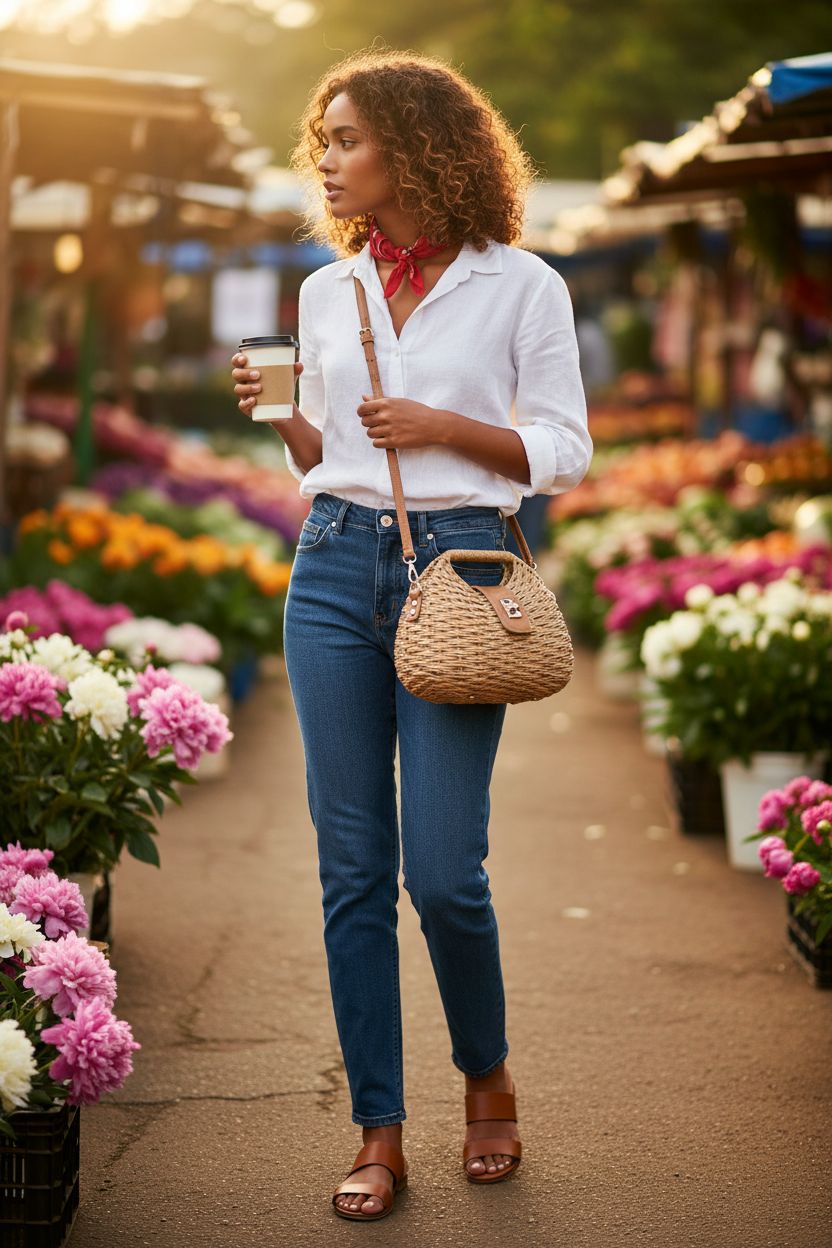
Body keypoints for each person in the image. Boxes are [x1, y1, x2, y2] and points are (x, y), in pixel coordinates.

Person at [231, 49, 591, 1222]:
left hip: (460, 567)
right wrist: (284, 416)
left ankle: (485, 1074)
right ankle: (378, 1129)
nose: (328, 163)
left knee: (441, 874)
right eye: (322, 144)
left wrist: (446, 426)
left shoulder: (521, 285)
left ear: (417, 146)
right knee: (351, 871)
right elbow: (329, 453)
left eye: (348, 140)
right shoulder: (325, 291)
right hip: (335, 564)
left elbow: (563, 449)